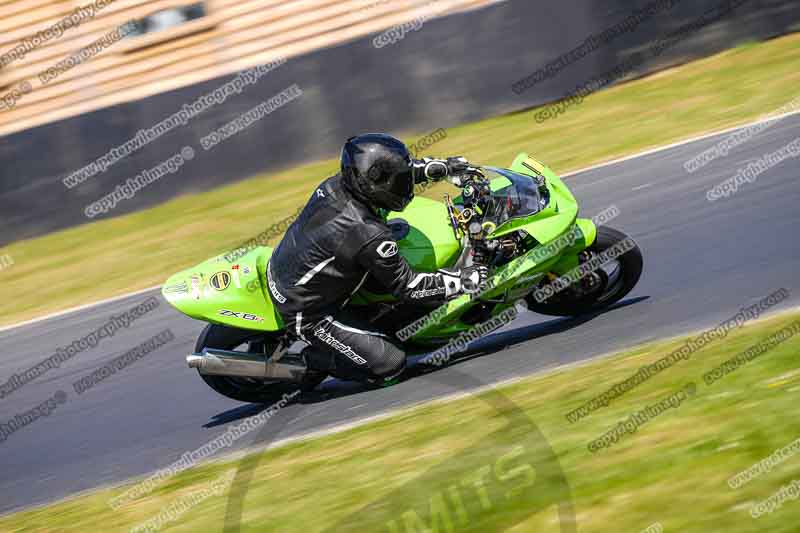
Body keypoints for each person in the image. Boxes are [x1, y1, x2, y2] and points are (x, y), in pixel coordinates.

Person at [267, 133, 488, 387]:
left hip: (296, 268)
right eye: (398, 183)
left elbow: (390, 173)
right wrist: (463, 280)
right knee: (391, 364)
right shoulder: (366, 232)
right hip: (308, 311)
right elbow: (409, 286)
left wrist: (439, 168)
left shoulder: (339, 183)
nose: (404, 187)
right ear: (373, 183)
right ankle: (313, 362)